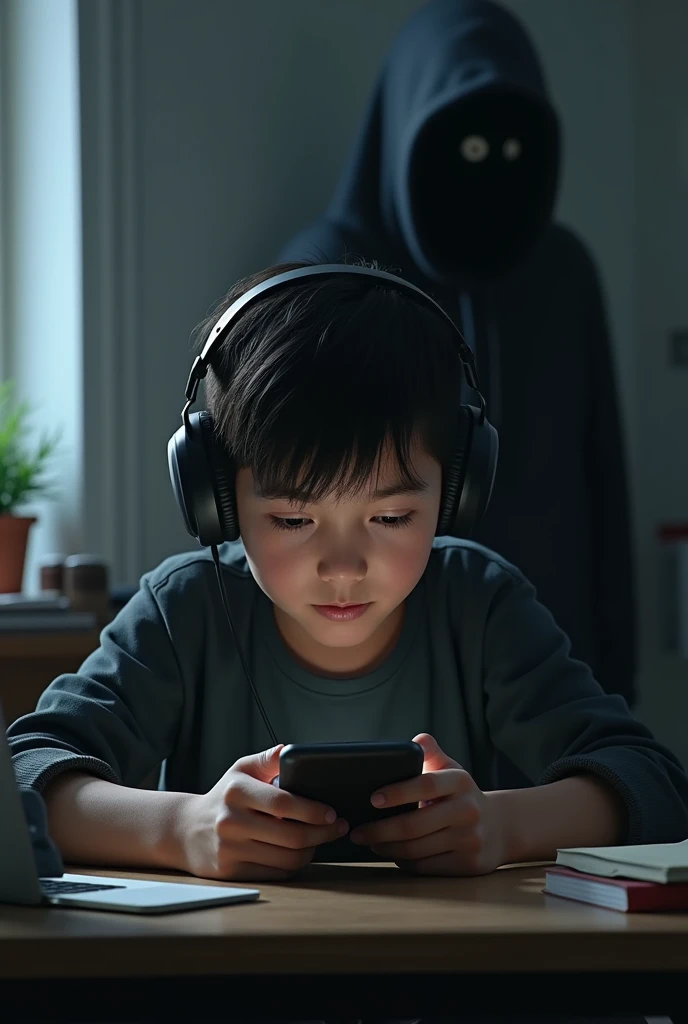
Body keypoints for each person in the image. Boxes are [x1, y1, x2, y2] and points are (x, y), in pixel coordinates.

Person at [6, 261, 687, 893]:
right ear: (217, 501)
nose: (342, 566)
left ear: (456, 492)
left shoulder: (478, 604)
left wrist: (504, 825)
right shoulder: (184, 610)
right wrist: (181, 829)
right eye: (294, 521)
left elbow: (653, 783)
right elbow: (22, 775)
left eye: (390, 516)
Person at [278, 0, 637, 729]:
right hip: (377, 677)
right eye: (467, 146)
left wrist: (618, 684)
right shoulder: (328, 274)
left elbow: (603, 476)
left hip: (554, 680)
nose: (489, 171)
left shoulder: (563, 272)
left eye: (512, 149)